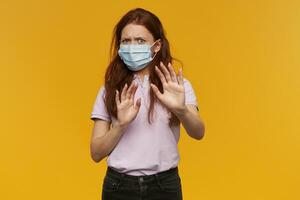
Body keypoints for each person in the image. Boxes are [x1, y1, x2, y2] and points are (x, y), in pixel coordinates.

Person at [89, 7, 205, 200]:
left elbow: (198, 132)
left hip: (164, 185)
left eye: (140, 41)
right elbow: (96, 153)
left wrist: (181, 110)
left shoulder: (177, 86)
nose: (132, 46)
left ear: (156, 46)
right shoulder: (110, 90)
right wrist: (120, 126)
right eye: (126, 41)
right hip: (119, 186)